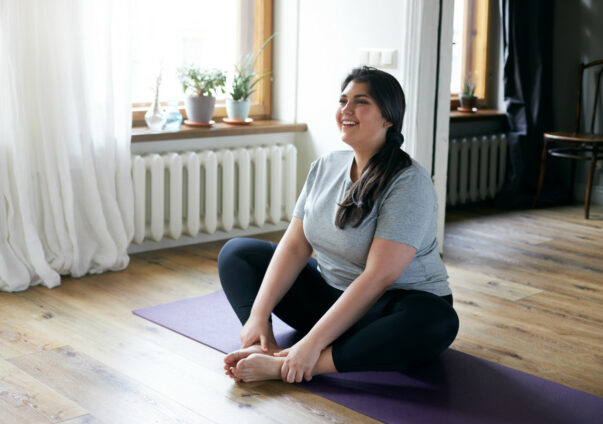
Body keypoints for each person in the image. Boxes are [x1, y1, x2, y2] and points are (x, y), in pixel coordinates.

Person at [218, 66, 459, 384]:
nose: (346, 110)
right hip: (328, 297)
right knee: (238, 252)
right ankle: (263, 344)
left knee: (437, 322)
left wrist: (308, 347)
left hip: (387, 307)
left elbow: (378, 278)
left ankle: (294, 365)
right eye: (343, 100)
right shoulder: (325, 166)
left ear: (388, 117)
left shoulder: (408, 182)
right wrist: (257, 316)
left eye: (361, 102)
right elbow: (294, 245)